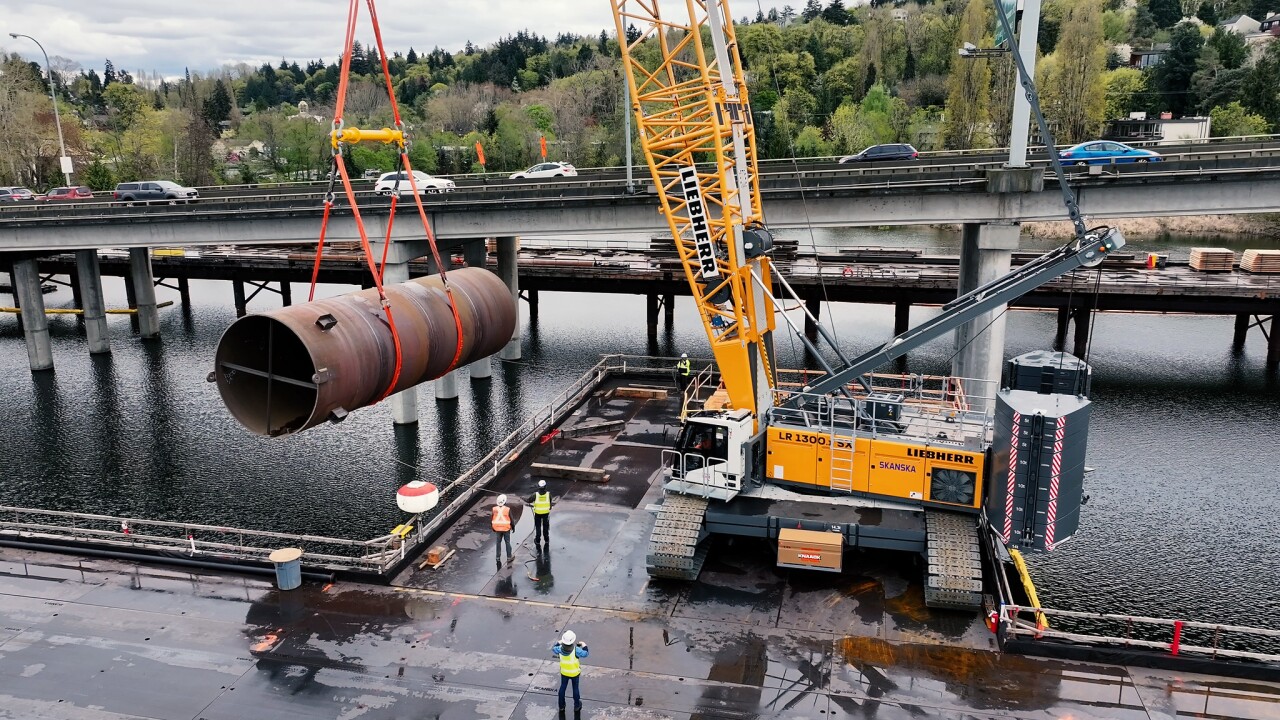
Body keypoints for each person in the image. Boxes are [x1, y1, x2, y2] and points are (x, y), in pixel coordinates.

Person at [551, 629, 588, 713]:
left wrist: (559, 642)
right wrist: (584, 645)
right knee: (575, 689)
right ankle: (577, 705)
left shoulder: (559, 648)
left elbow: (554, 648)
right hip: (575, 673)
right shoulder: (576, 650)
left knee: (562, 688)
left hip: (564, 672)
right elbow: (585, 654)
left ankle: (561, 706)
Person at [524, 479, 553, 547]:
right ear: (545, 486)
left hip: (538, 514)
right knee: (545, 527)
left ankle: (537, 540)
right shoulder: (548, 494)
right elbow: (550, 502)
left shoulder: (535, 495)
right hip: (546, 514)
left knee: (538, 527)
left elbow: (529, 500)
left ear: (538, 487)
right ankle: (546, 540)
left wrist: (523, 498)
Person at [491, 494, 513, 567]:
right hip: (506, 528)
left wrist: (493, 528)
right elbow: (511, 519)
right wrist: (513, 527)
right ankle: (509, 557)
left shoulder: (494, 509)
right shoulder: (507, 509)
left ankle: (497, 557)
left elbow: (492, 519)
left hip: (497, 529)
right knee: (507, 542)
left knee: (498, 543)